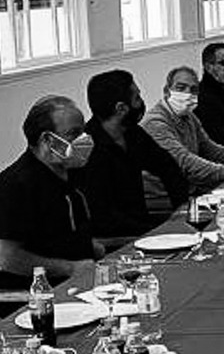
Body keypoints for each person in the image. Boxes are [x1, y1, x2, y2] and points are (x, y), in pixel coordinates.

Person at [0, 96, 100, 307]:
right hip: (34, 296)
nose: (83, 140)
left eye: (83, 132)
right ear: (47, 139)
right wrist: (70, 268)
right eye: (74, 134)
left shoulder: (72, 171)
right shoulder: (17, 184)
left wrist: (91, 248)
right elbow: (7, 257)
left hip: (81, 281)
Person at [82, 70, 189, 240]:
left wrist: (182, 210)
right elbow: (105, 217)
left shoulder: (133, 134)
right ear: (121, 108)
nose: (141, 103)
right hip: (116, 236)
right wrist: (157, 230)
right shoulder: (89, 150)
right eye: (137, 98)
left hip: (142, 224)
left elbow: (168, 167)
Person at [142, 66, 224, 195]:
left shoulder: (189, 117)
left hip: (188, 187)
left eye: (193, 90)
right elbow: (187, 163)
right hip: (163, 196)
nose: (187, 94)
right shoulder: (155, 123)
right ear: (166, 91)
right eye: (181, 88)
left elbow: (212, 150)